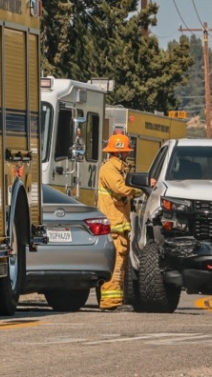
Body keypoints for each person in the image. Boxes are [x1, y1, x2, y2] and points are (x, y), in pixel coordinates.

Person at [97, 133, 143, 311]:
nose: (127, 154)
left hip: (119, 226)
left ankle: (116, 301)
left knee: (120, 265)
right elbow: (120, 189)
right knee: (115, 265)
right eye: (125, 151)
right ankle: (110, 303)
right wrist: (139, 190)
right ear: (119, 153)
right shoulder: (109, 169)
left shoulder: (119, 169)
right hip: (113, 226)